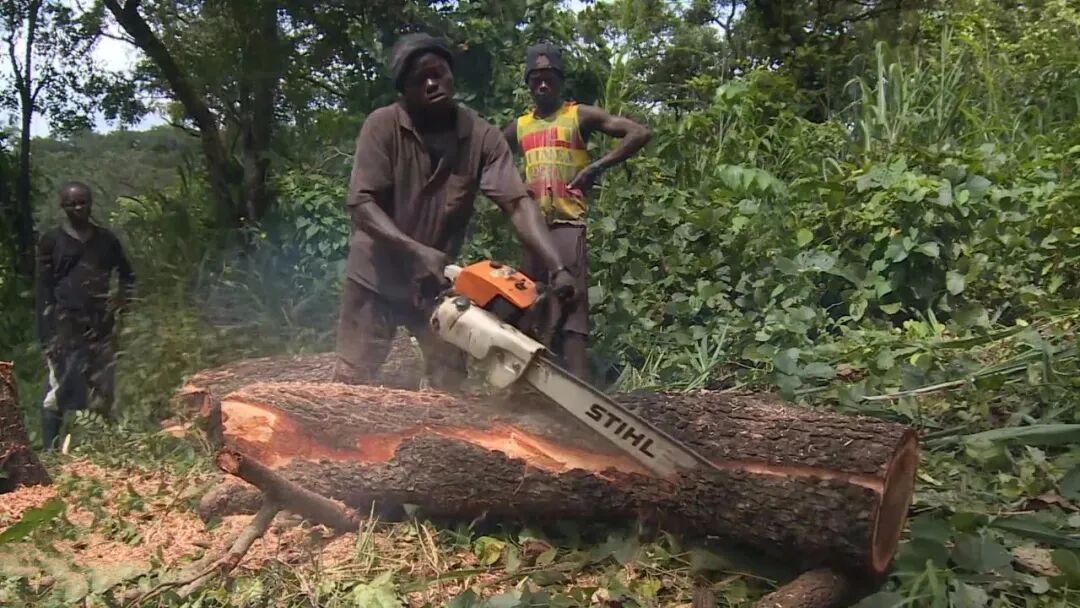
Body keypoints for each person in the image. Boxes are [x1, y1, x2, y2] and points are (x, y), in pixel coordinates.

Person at [335, 33, 577, 391]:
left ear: (450, 73)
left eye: (438, 73)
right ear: (404, 91)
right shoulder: (383, 126)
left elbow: (517, 203)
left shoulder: (482, 137)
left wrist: (556, 267)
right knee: (353, 383)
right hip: (376, 277)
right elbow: (361, 204)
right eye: (419, 80)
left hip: (433, 283)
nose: (432, 84)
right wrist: (416, 251)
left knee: (448, 385)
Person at [503, 42, 651, 380]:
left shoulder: (577, 115)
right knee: (528, 304)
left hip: (568, 225)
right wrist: (514, 186)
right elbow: (488, 155)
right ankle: (528, 386)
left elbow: (639, 133)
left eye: (549, 78)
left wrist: (596, 167)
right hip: (533, 229)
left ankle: (580, 390)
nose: (543, 85)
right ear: (528, 83)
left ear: (560, 81)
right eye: (536, 79)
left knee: (571, 307)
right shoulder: (520, 126)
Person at [35, 181, 135, 451]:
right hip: (64, 326)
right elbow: (43, 288)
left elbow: (127, 275)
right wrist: (47, 334)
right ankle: (50, 451)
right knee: (60, 388)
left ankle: (101, 447)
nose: (78, 208)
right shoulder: (52, 241)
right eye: (72, 204)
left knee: (103, 387)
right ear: (63, 206)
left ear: (91, 204)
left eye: (83, 202)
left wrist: (121, 302)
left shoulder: (106, 240)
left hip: (100, 325)